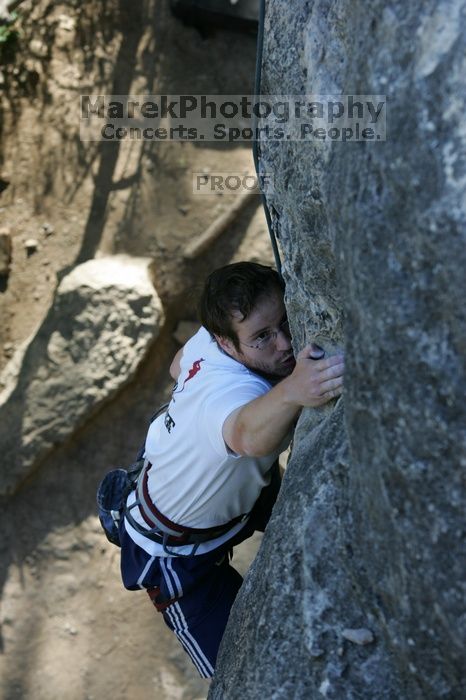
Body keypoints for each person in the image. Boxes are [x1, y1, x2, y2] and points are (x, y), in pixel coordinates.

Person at [119, 261, 344, 678]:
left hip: (210, 487)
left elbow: (177, 365)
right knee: (238, 673)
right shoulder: (232, 394)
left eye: (283, 322)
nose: (284, 344)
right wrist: (294, 389)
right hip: (174, 554)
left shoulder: (211, 340)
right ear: (228, 343)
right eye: (262, 337)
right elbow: (246, 436)